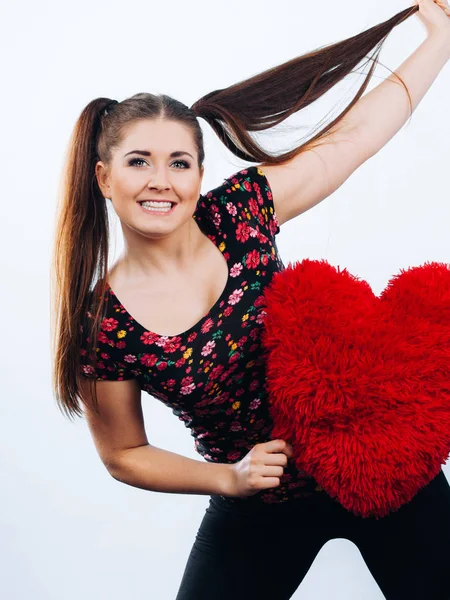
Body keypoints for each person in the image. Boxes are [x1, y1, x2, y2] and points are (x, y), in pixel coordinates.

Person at [50, 1, 450, 598]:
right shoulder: (102, 328)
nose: (161, 179)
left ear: (198, 175)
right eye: (139, 162)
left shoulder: (239, 215)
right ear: (105, 178)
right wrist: (228, 479)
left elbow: (357, 137)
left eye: (179, 162)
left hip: (378, 463)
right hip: (259, 503)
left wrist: (440, 38)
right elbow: (125, 453)